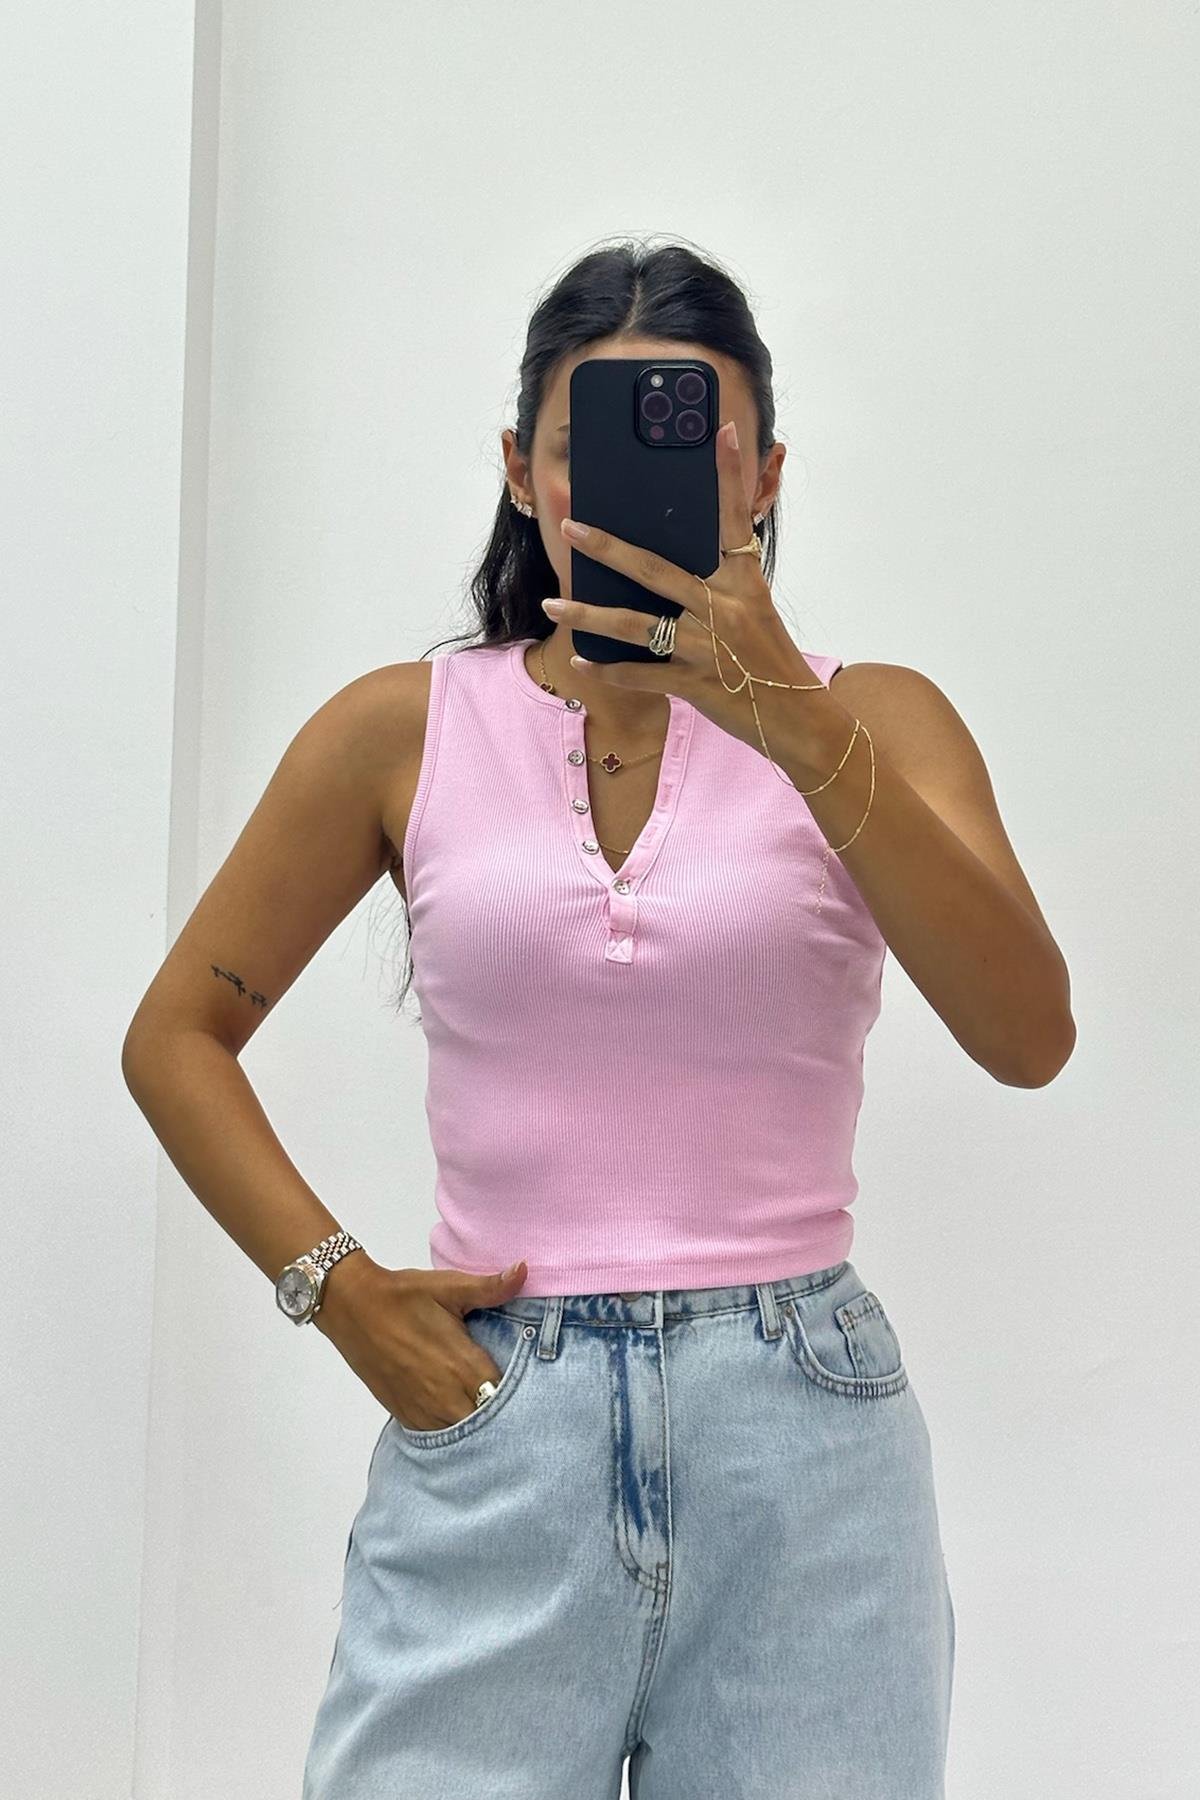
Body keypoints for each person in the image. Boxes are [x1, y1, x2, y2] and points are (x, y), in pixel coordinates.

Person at [122, 237, 1075, 1798]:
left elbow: (1028, 1037)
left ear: (764, 474)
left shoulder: (879, 722)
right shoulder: (399, 731)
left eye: (699, 446)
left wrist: (789, 718)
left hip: (808, 1449)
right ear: (522, 470)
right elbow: (175, 1035)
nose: (638, 487)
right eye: (587, 448)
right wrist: (339, 1293)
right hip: (499, 1424)